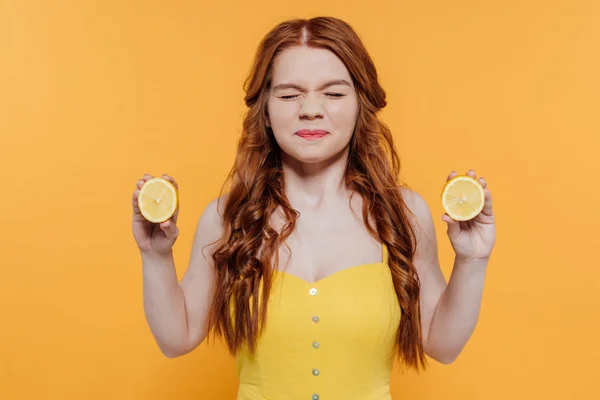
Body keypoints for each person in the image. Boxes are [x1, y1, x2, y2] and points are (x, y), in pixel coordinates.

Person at [131, 16, 496, 400]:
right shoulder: (227, 217)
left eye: (334, 94)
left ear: (361, 103)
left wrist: (472, 260)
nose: (310, 110)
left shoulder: (403, 213)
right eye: (289, 95)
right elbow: (176, 338)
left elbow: (443, 345)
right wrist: (155, 255)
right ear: (266, 111)